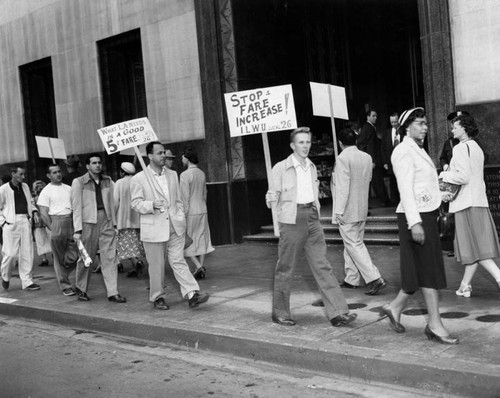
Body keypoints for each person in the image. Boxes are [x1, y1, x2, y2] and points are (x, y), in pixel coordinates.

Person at [380, 107, 458, 345]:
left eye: (426, 123)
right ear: (407, 126)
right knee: (429, 270)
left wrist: (440, 194)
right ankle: (434, 324)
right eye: (421, 123)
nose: (425, 127)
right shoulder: (403, 151)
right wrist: (415, 223)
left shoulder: (416, 149)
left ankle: (394, 308)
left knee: (420, 269)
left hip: (426, 214)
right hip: (415, 218)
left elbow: (420, 184)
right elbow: (405, 188)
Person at [265, 127, 357, 328]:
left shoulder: (312, 166)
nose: (305, 146)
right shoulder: (281, 167)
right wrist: (270, 198)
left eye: (307, 142)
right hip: (292, 219)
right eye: (301, 142)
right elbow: (272, 197)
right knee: (286, 267)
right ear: (292, 145)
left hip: (313, 218)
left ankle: (339, 312)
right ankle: (279, 313)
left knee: (322, 265)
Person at [130, 141, 209, 310]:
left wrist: (180, 217)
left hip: (175, 226)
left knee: (178, 260)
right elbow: (135, 204)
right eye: (159, 153)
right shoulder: (139, 178)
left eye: (164, 152)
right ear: (149, 156)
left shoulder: (173, 174)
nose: (163, 156)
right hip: (154, 228)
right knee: (157, 266)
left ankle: (192, 293)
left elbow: (179, 200)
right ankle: (158, 296)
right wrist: (151, 205)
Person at [439, 114, 500, 298]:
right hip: (479, 202)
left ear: (464, 128)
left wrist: (445, 175)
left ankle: (499, 276)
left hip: (465, 204)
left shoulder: (459, 148)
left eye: (455, 126)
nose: (452, 129)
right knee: (475, 249)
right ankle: (465, 286)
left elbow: (463, 177)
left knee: (476, 249)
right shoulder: (477, 148)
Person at [332, 128, 387, 295]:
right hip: (362, 207)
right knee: (352, 243)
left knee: (354, 244)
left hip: (347, 209)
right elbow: (368, 180)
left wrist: (338, 211)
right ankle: (352, 278)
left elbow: (342, 187)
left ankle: (374, 278)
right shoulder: (366, 157)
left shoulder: (342, 158)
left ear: (340, 143)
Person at [71, 153, 126, 303]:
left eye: (99, 162)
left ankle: (113, 292)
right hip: (87, 222)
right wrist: (77, 229)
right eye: (94, 163)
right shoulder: (79, 182)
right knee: (86, 258)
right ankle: (81, 288)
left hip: (106, 221)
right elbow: (76, 207)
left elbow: (115, 201)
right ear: (87, 166)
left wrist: (114, 223)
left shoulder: (108, 181)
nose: (97, 165)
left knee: (110, 257)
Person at [37, 164, 78, 296]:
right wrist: (52, 228)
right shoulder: (46, 191)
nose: (58, 174)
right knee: (58, 256)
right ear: (49, 176)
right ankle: (65, 285)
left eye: (59, 171)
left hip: (70, 220)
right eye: (54, 172)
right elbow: (43, 212)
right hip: (56, 221)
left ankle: (62, 272)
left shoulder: (69, 188)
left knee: (75, 256)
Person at [0, 165, 41, 291]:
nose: (23, 177)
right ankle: (5, 276)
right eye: (20, 174)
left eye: (24, 174)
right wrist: (3, 223)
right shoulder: (3, 189)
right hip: (10, 222)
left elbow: (30, 202)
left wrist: (33, 212)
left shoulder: (25, 187)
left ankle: (27, 281)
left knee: (27, 252)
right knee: (10, 253)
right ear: (13, 174)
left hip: (25, 220)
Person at [180, 148, 214, 280]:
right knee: (202, 238)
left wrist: (183, 214)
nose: (182, 160)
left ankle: (198, 266)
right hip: (202, 209)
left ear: (187, 159)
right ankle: (200, 266)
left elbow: (184, 197)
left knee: (186, 240)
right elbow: (205, 193)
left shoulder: (184, 175)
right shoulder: (201, 173)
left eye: (183, 157)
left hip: (191, 212)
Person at [114, 162, 146, 278]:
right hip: (138, 219)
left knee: (126, 245)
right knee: (136, 244)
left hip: (124, 220)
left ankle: (136, 262)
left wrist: (113, 217)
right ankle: (136, 265)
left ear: (122, 172)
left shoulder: (119, 183)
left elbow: (115, 202)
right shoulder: (138, 180)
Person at [357, 109, 389, 206]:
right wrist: (372, 160)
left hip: (371, 159)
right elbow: (370, 145)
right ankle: (384, 200)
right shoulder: (368, 128)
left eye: (376, 116)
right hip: (372, 160)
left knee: (374, 181)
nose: (376, 118)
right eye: (373, 116)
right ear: (368, 116)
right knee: (376, 181)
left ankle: (383, 200)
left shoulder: (369, 128)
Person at [381, 112, 400, 204]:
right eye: (392, 122)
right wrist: (384, 162)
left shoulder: (403, 131)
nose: (394, 124)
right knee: (393, 182)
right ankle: (395, 202)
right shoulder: (386, 133)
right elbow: (383, 148)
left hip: (402, 162)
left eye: (395, 122)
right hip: (391, 162)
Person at [32, 180, 52, 267]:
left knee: (51, 239)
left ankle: (54, 255)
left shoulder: (48, 197)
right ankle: (44, 259)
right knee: (40, 241)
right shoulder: (33, 199)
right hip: (38, 223)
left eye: (41, 186)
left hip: (48, 221)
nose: (39, 188)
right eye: (37, 187)